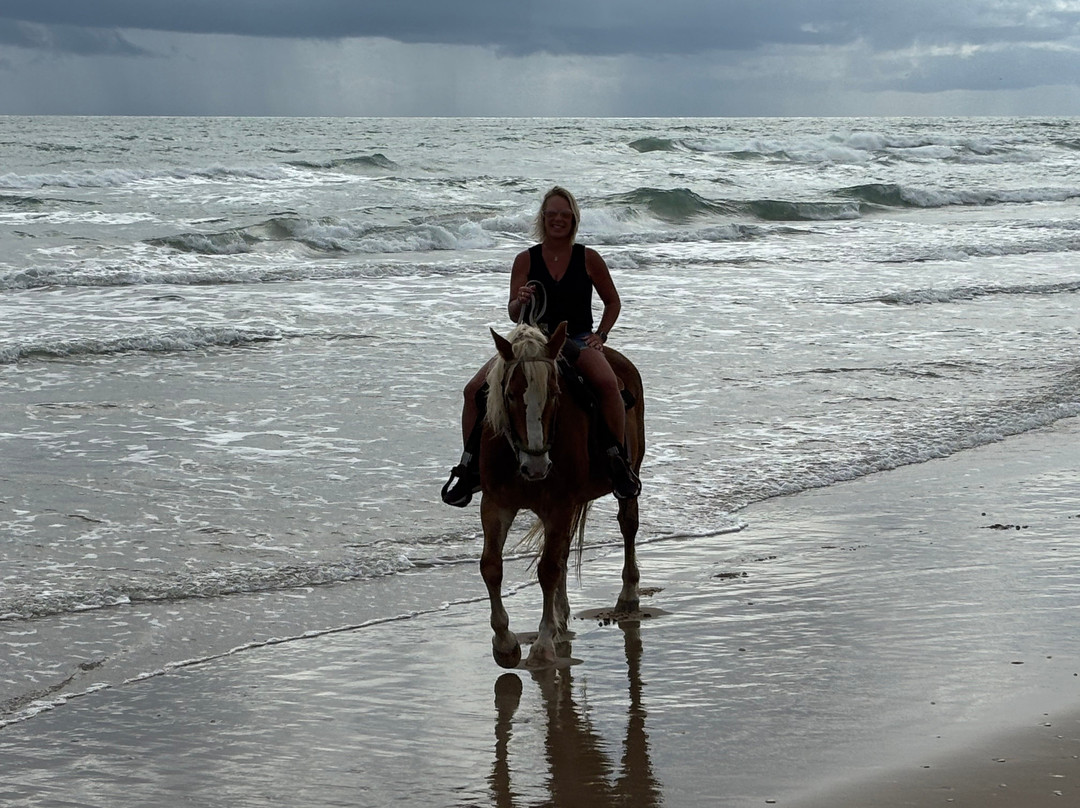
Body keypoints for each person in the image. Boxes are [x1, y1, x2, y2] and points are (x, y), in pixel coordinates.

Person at [441, 186, 641, 507]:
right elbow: (512, 312)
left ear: (573, 219)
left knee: (607, 385)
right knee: (473, 391)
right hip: (529, 344)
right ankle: (470, 468)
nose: (558, 220)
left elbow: (612, 302)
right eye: (552, 215)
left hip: (575, 340)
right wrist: (518, 303)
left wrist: (600, 335)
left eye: (565, 215)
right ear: (543, 218)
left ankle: (617, 463)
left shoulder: (589, 258)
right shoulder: (525, 259)